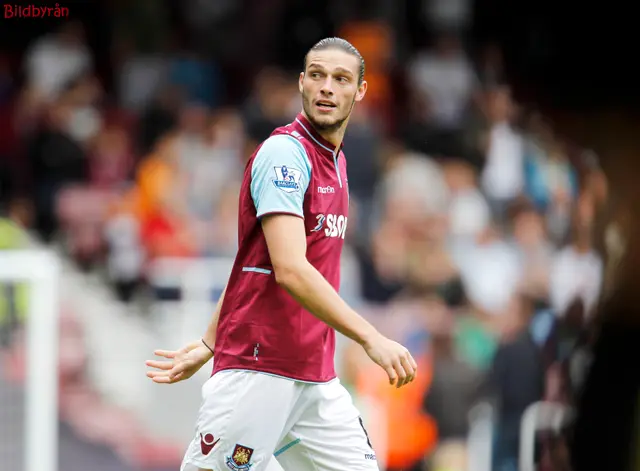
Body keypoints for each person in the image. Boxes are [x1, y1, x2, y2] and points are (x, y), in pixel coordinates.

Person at [145, 37, 418, 471]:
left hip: (314, 377)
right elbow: (289, 269)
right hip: (260, 368)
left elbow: (255, 264)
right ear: (302, 84)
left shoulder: (336, 160)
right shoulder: (284, 156)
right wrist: (371, 337)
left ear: (360, 91)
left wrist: (207, 342)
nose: (327, 87)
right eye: (317, 75)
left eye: (341, 78)